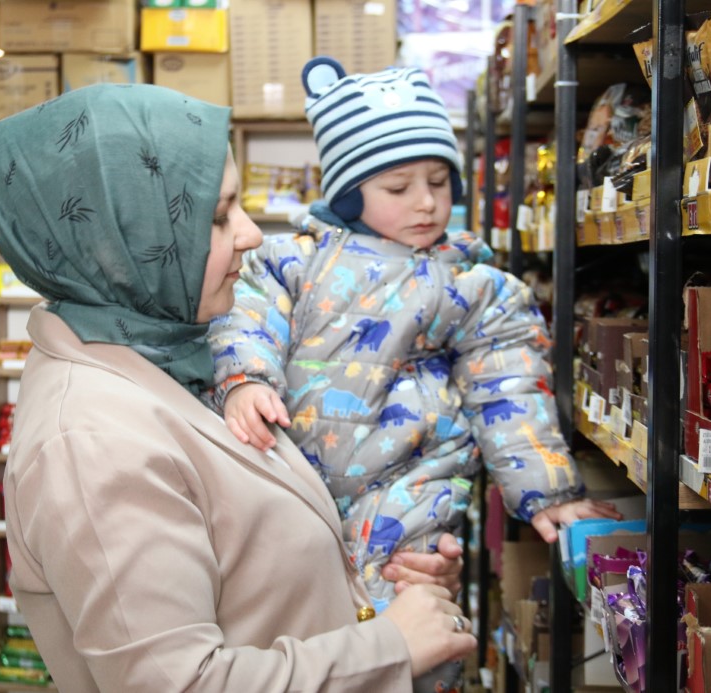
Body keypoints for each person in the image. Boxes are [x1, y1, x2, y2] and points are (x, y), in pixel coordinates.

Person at [0, 83, 477, 692]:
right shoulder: (91, 443)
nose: (252, 234)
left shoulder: (179, 350)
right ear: (120, 240)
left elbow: (256, 570)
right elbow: (180, 684)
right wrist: (390, 645)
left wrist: (385, 590)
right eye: (216, 216)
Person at [209, 56, 620, 620]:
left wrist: (549, 490)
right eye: (398, 187)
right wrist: (243, 380)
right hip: (291, 476)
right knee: (296, 621)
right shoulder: (292, 262)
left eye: (438, 182)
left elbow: (510, 387)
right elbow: (244, 316)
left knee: (410, 624)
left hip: (412, 486)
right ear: (349, 194)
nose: (426, 202)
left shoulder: (471, 283)